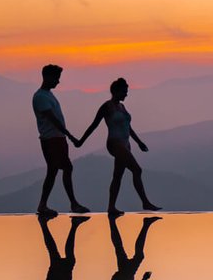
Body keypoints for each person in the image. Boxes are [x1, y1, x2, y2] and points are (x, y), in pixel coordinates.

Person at [76, 77, 159, 216]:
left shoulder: (122, 106)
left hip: (126, 144)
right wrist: (81, 141)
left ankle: (111, 207)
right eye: (124, 91)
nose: (126, 94)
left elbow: (128, 127)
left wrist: (139, 142)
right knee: (137, 170)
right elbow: (94, 125)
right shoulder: (107, 107)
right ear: (116, 91)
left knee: (117, 176)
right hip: (114, 143)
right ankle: (145, 202)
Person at [33, 64, 89, 218]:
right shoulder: (40, 97)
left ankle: (45, 204)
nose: (58, 82)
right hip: (52, 140)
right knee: (64, 168)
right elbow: (54, 120)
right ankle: (72, 204)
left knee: (54, 171)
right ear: (48, 77)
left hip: (57, 139)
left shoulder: (47, 95)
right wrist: (70, 136)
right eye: (56, 78)